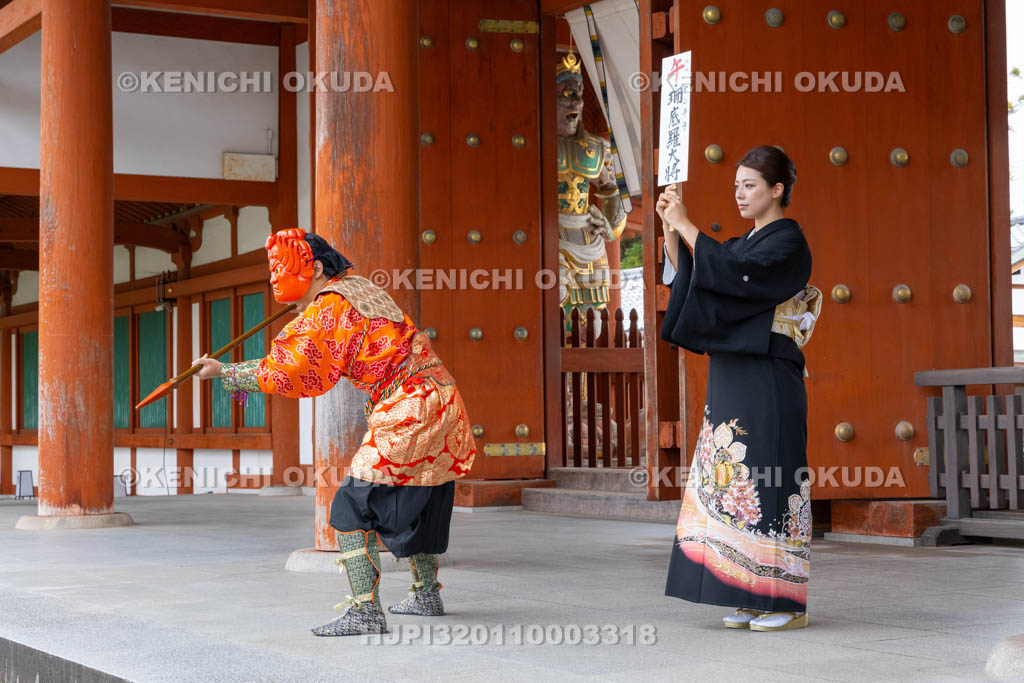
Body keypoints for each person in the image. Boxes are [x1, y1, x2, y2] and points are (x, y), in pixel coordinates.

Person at [192, 228, 476, 637]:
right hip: (442, 399)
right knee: (424, 497)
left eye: (281, 268)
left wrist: (225, 371)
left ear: (318, 268)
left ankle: (365, 612)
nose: (273, 277)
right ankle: (426, 594)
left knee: (350, 507)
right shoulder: (357, 289)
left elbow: (291, 371)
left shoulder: (329, 309)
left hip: (409, 408)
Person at [657, 145, 821, 632]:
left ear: (777, 190)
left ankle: (786, 602)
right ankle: (748, 592)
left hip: (768, 375)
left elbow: (738, 279)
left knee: (770, 475)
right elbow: (704, 280)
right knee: (732, 480)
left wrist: (689, 229)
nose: (740, 194)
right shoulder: (737, 245)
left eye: (750, 185)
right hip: (732, 375)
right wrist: (672, 234)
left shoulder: (788, 243)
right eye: (736, 186)